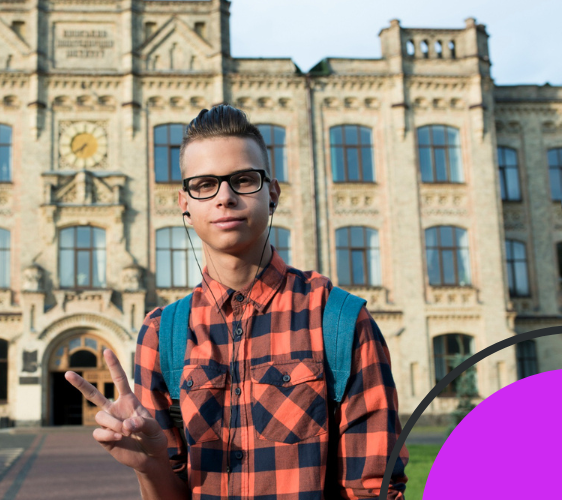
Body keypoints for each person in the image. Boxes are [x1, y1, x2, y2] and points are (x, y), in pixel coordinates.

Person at [65, 104, 409, 499]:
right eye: (204, 184)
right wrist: (150, 464)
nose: (224, 197)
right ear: (185, 204)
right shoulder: (163, 336)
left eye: (243, 180)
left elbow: (374, 490)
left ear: (273, 192)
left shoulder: (339, 321)